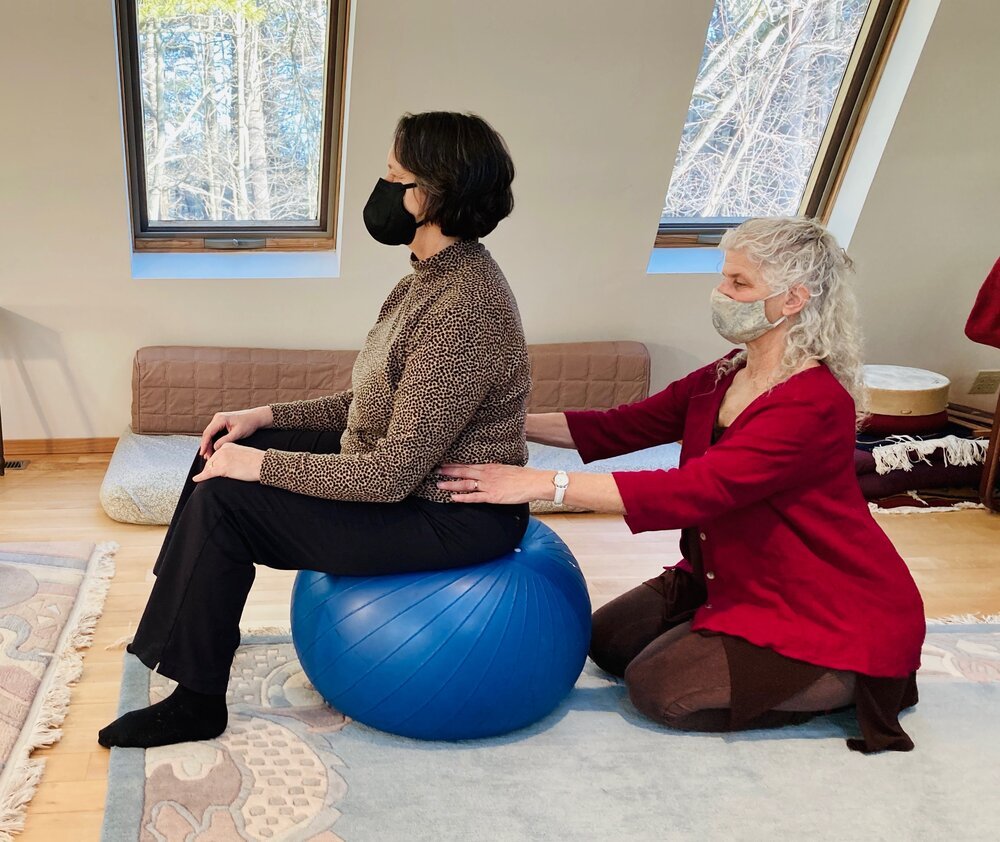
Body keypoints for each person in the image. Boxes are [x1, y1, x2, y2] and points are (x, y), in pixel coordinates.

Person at [99, 112, 531, 749]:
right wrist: (265, 419)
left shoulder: (464, 306)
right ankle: (186, 620)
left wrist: (261, 469)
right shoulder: (428, 280)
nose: (382, 189)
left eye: (394, 177)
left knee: (225, 503)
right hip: (411, 479)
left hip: (448, 515)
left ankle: (196, 703)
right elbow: (373, 402)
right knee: (228, 446)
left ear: (433, 195)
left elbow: (389, 478)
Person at [438, 217, 926, 753]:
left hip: (821, 604)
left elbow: (694, 491)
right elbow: (623, 425)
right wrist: (500, 418)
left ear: (793, 299)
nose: (722, 292)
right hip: (725, 573)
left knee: (658, 691)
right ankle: (719, 632)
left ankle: (851, 677)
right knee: (607, 642)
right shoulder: (729, 372)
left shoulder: (812, 403)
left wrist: (539, 483)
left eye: (739, 283)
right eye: (725, 277)